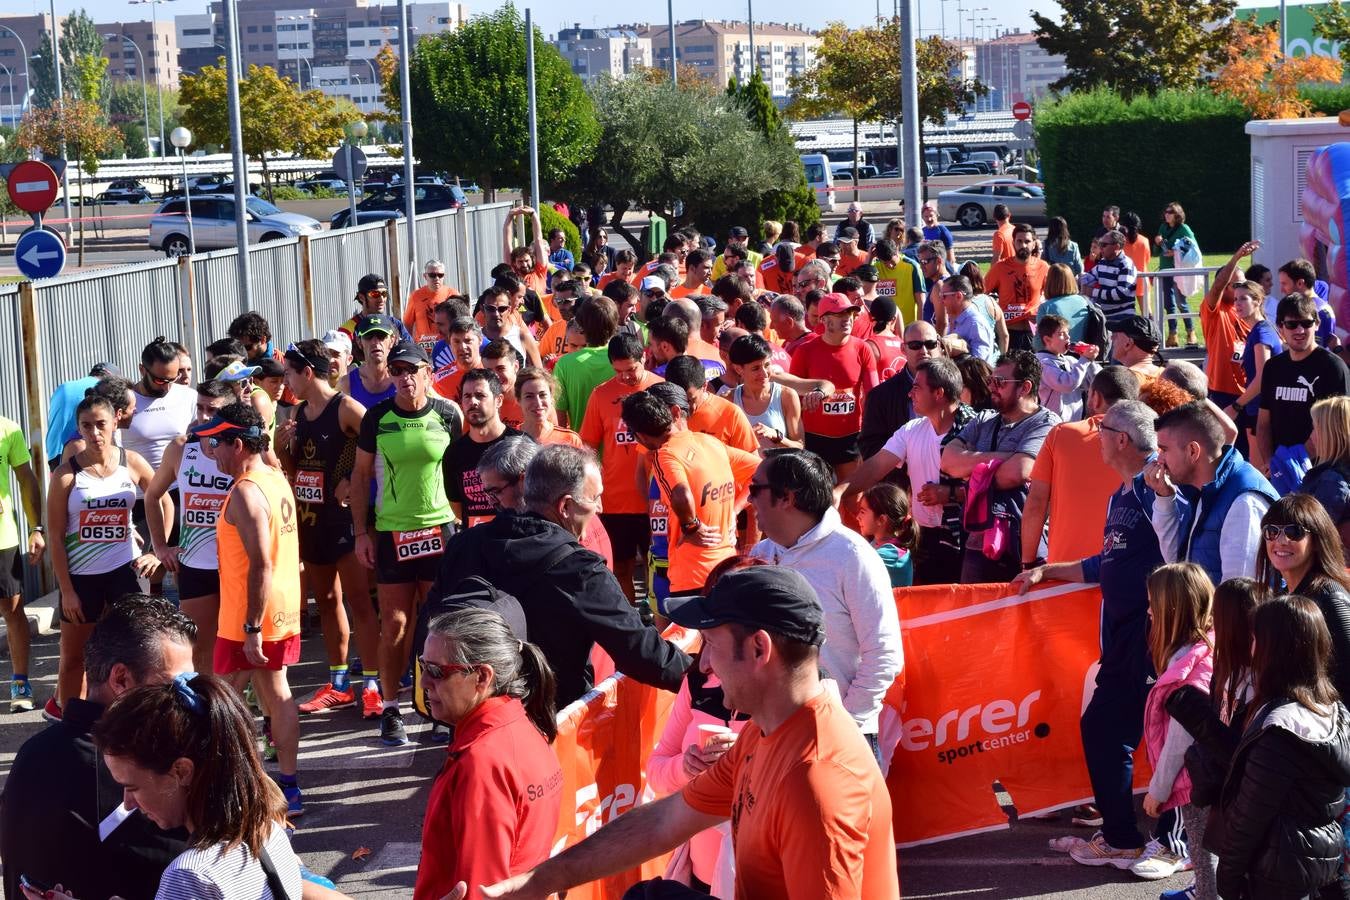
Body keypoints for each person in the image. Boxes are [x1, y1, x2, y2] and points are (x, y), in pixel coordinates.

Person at [470, 567, 900, 900]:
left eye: (710, 642)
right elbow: (667, 819)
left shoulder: (818, 781)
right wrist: (543, 878)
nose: (705, 665)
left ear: (758, 649)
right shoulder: (768, 730)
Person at [1015, 400, 1170, 870]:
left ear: (1123, 439)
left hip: (1154, 633)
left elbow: (1177, 552)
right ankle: (1120, 836)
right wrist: (1049, 571)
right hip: (1123, 637)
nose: (1096, 436)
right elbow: (1110, 562)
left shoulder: (1158, 487)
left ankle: (1173, 845)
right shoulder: (1121, 494)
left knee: (1166, 740)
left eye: (1102, 429)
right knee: (1104, 729)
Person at [429, 444, 691, 708]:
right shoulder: (579, 567)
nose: (600, 507)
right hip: (550, 721)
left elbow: (433, 620)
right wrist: (706, 679)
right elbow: (640, 651)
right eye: (595, 497)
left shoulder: (462, 546)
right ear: (565, 506)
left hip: (472, 717)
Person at [0, 595, 194, 900]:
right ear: (121, 678)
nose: (185, 700)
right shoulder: (141, 772)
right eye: (174, 686)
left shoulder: (32, 752)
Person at [70, 673, 304, 900]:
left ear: (181, 771)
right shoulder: (269, 830)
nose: (128, 803)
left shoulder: (191, 876)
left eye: (132, 787)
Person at [748, 449, 902, 751]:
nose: (749, 499)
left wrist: (844, 725)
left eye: (755, 489)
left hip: (841, 738)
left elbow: (884, 655)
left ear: (786, 498)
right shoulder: (761, 555)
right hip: (771, 734)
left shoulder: (852, 556)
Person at [351, 341, 465, 746]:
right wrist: (362, 532)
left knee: (438, 625)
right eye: (397, 370)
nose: (405, 377)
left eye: (412, 369)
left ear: (427, 374)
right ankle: (390, 708)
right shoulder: (378, 418)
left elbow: (460, 471)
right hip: (392, 533)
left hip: (440, 531)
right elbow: (361, 477)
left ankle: (440, 707)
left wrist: (462, 523)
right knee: (395, 626)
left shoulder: (450, 414)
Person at [195, 402, 304, 815]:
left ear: (237, 444)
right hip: (278, 609)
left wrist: (251, 626)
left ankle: (233, 790)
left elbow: (263, 562)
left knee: (220, 702)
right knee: (276, 694)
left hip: (249, 617)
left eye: (217, 444)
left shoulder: (244, 491)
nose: (214, 453)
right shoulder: (274, 477)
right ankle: (288, 788)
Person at [414, 608, 562, 900]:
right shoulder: (525, 726)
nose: (423, 683)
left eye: (436, 672)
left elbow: (482, 889)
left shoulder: (480, 762)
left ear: (481, 676)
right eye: (422, 666)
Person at [1213, 595, 1350, 900]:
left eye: (1255, 639)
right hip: (1319, 857)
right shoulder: (1333, 709)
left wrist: (1227, 879)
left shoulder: (1279, 731)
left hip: (1276, 869)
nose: (1250, 646)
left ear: (1273, 649)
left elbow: (1249, 819)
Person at [276, 340, 381, 718]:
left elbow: (378, 451)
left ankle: (372, 684)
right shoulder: (297, 414)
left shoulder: (347, 408)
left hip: (345, 522)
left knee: (360, 604)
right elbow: (291, 469)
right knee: (326, 602)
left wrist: (353, 481)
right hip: (310, 520)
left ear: (307, 372)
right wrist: (282, 446)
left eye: (289, 372)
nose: (285, 379)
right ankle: (338, 684)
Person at [46, 394, 162, 720]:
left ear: (115, 423)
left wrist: (157, 548)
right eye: (86, 426)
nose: (95, 433)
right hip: (82, 579)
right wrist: (66, 590)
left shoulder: (132, 462)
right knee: (74, 660)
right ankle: (68, 729)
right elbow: (55, 536)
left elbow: (162, 497)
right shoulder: (66, 476)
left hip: (124, 572)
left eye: (101, 424)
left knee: (136, 653)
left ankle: (135, 721)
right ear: (78, 429)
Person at [647, 557, 758, 897]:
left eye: (715, 640)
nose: (705, 661)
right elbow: (656, 770)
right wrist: (686, 767)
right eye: (704, 640)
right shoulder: (696, 681)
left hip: (754, 882)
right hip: (700, 874)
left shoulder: (794, 712)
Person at [623, 389, 759, 604]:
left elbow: (681, 493)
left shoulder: (665, 455)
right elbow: (760, 470)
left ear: (640, 435)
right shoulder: (710, 442)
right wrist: (735, 510)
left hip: (692, 576)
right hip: (726, 567)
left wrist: (691, 527)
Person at [843, 356, 972, 585]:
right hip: (924, 540)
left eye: (916, 388)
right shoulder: (911, 430)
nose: (910, 394)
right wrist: (838, 491)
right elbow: (874, 467)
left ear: (939, 393)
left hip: (966, 541)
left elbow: (994, 486)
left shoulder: (978, 429)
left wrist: (951, 494)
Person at [941, 350, 1060, 583]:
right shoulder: (984, 418)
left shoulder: (1047, 424)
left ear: (1025, 388)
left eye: (1000, 382)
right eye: (991, 381)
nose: (992, 387)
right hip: (979, 542)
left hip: (1024, 543)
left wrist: (972, 469)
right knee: (975, 615)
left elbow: (1018, 472)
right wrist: (1004, 457)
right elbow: (947, 461)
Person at [144, 379, 235, 673]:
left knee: (236, 642)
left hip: (235, 563)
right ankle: (203, 708)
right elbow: (152, 495)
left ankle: (242, 703)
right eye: (200, 408)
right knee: (196, 646)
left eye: (213, 410)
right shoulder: (182, 448)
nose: (204, 416)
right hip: (195, 565)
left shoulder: (241, 450)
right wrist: (159, 547)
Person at [1140, 563, 1216, 889]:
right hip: (1208, 776)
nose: (1148, 611)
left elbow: (1180, 737)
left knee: (1205, 858)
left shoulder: (1187, 665)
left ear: (1173, 608)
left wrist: (1158, 790)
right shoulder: (1206, 649)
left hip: (1199, 782)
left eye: (1152, 603)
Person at [1146, 400, 1278, 585]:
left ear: (1193, 451)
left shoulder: (1244, 502)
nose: (1159, 459)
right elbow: (1178, 562)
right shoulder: (1206, 487)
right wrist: (1164, 497)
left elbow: (1239, 596)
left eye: (1164, 450)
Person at [1021, 366, 1138, 568]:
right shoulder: (1151, 441)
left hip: (1066, 572)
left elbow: (1036, 503)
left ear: (1096, 398)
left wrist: (1028, 563)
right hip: (1125, 570)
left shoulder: (1061, 434)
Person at [578, 334, 663, 603]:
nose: (624, 377)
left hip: (657, 497)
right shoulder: (602, 394)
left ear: (644, 358)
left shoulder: (660, 388)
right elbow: (588, 445)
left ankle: (657, 617)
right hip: (616, 501)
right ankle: (634, 619)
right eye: (618, 372)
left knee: (659, 566)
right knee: (621, 567)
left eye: (631, 370)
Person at [1254, 493, 1350, 701]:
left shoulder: (1331, 598)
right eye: (1272, 531)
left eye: (1294, 532)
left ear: (1316, 541)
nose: (1280, 541)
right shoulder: (1284, 597)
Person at [1257, 292, 1350, 475]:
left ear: (1317, 324)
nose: (1299, 330)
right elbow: (1263, 423)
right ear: (1280, 328)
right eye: (1292, 324)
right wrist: (1271, 462)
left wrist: (1292, 461)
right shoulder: (1273, 367)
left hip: (1322, 472)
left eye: (1306, 323)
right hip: (1280, 470)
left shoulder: (1333, 367)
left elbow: (1339, 427)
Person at [789, 292, 879, 481]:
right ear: (825, 321)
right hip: (815, 439)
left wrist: (869, 437)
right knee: (818, 501)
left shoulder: (863, 349)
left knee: (853, 500)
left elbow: (873, 395)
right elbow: (791, 394)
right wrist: (807, 401)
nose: (847, 319)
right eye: (840, 315)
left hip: (851, 437)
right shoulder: (805, 351)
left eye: (849, 314)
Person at [0, 409, 44, 712]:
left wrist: (35, 528)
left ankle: (19, 683)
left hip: (3, 539)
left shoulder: (7, 428)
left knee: (12, 610)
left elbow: (26, 479)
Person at [448, 369, 527, 528]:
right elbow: (457, 508)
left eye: (480, 395)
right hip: (478, 545)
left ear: (498, 400)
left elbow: (537, 498)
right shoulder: (453, 453)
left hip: (519, 540)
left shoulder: (523, 444)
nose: (473, 402)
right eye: (467, 396)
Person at [1198, 242, 1261, 415]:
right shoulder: (1214, 310)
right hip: (1222, 391)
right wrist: (1236, 257)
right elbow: (1218, 285)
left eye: (1244, 284)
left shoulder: (1245, 309)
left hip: (1249, 390)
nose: (1241, 288)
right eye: (1236, 285)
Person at [1228, 279, 1280, 471]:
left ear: (1257, 301)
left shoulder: (1261, 333)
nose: (1237, 304)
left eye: (1243, 299)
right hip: (1257, 409)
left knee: (1260, 472)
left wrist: (1236, 406)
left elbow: (1262, 377)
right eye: (1235, 300)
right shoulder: (1258, 331)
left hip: (1260, 411)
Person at [663, 355, 758, 455]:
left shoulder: (730, 414)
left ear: (705, 386)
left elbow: (753, 463)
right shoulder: (661, 413)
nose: (683, 407)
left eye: (690, 400)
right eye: (678, 400)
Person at [729, 334, 804, 451]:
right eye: (755, 368)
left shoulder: (787, 396)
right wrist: (746, 438)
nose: (764, 374)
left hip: (779, 468)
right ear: (739, 369)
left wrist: (776, 435)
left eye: (767, 365)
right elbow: (721, 448)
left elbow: (800, 446)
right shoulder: (728, 400)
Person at [554, 296, 619, 429]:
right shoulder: (625, 360)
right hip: (620, 448)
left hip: (581, 447)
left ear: (582, 326)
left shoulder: (565, 364)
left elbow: (559, 418)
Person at [1299, 395, 1350, 554]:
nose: (1311, 436)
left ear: (1330, 434)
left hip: (1330, 570)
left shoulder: (1332, 481)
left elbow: (1314, 534)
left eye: (1314, 428)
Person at [1034, 314, 1100, 422]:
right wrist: (1084, 360)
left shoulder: (1071, 360)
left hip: (1075, 419)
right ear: (1047, 340)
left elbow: (1095, 381)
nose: (1068, 337)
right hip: (1054, 422)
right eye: (1061, 334)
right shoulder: (1043, 363)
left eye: (1068, 333)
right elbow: (1067, 384)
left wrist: (1090, 360)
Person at [856, 483, 917, 587]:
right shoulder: (876, 543)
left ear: (881, 519)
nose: (857, 517)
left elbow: (850, 567)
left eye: (862, 512)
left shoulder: (891, 555)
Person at [1154, 202, 1198, 348]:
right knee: (1169, 304)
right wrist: (1157, 242)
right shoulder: (1163, 227)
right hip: (1165, 269)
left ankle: (1191, 333)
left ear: (1177, 214)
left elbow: (1193, 247)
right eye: (1166, 211)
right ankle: (1173, 335)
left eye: (1170, 212)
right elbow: (1156, 251)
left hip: (1179, 270)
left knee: (1181, 303)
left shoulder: (1184, 228)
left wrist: (1175, 252)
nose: (1166, 214)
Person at [340, 314, 399, 411]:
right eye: (368, 336)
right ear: (359, 342)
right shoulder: (346, 384)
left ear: (392, 341)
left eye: (381, 336)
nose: (375, 342)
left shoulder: (405, 378)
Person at [1078, 229, 1137, 323]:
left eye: (1104, 245)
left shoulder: (1126, 264)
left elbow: (1121, 293)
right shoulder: (1103, 262)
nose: (1100, 248)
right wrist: (1078, 280)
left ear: (1117, 246)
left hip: (1123, 318)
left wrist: (1093, 292)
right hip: (1105, 317)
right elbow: (1088, 277)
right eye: (1100, 244)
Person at [514, 366, 583, 448]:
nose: (538, 403)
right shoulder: (508, 438)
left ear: (551, 397)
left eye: (542, 395)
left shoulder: (570, 440)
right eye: (529, 396)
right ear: (519, 400)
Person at [339, 273, 414, 346]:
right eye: (375, 294)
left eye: (384, 294)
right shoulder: (347, 331)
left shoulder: (396, 324)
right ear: (361, 297)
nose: (381, 299)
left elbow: (412, 351)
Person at [941, 275, 998, 365]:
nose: (941, 301)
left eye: (944, 296)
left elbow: (979, 364)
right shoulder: (955, 319)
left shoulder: (975, 324)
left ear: (958, 296)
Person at [1036, 263, 1091, 349]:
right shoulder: (1084, 301)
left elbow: (1039, 343)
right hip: (1084, 353)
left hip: (1057, 356)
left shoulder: (1046, 307)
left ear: (1049, 281)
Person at [405, 259, 455, 351]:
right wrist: (409, 346)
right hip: (423, 349)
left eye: (440, 275)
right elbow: (408, 324)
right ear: (425, 276)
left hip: (447, 348)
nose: (436, 278)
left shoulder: (452, 294)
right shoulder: (416, 296)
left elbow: (462, 321)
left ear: (444, 276)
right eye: (432, 275)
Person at [432, 316, 483, 403]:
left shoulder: (493, 371)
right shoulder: (439, 380)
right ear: (450, 344)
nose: (462, 347)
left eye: (468, 341)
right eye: (456, 341)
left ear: (480, 340)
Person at [1108, 315, 1165, 382]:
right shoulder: (1168, 376)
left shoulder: (1119, 381)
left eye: (1116, 335)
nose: (1111, 338)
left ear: (1128, 344)